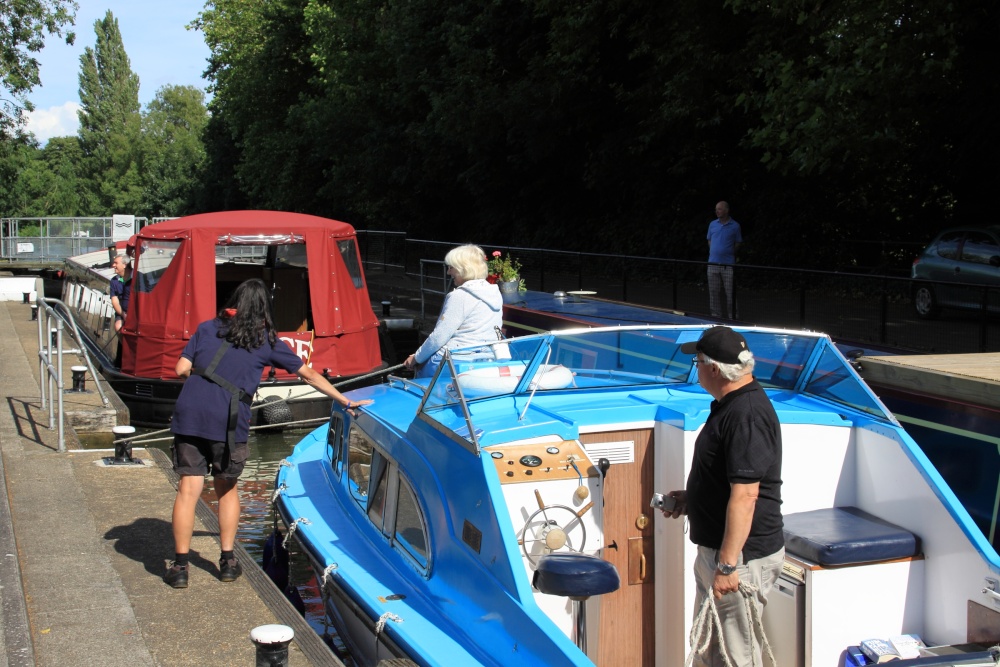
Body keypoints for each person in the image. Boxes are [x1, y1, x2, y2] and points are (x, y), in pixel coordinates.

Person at [164, 279, 373, 589]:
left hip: (190, 414)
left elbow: (181, 369)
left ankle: (180, 568)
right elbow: (309, 374)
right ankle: (227, 563)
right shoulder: (267, 340)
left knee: (188, 490)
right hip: (229, 422)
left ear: (234, 301)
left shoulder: (207, 328)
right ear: (265, 309)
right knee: (226, 489)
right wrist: (344, 400)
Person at [663, 326, 784, 667]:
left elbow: (746, 496)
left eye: (697, 362)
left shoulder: (746, 414)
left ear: (713, 369)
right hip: (720, 555)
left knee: (735, 657)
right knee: (709, 648)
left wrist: (728, 565)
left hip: (738, 560)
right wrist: (694, 498)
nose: (695, 368)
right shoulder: (729, 405)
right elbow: (729, 480)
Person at [403, 244, 503, 378]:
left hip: (457, 359)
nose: (448, 273)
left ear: (464, 269)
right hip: (488, 357)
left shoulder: (459, 296)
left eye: (451, 268)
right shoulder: (494, 292)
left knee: (420, 369)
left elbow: (439, 337)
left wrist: (416, 358)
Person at [706, 201, 742, 319]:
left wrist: (728, 252)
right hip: (713, 263)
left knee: (730, 293)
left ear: (726, 210)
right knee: (714, 293)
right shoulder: (712, 224)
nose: (717, 211)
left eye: (720, 209)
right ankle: (716, 316)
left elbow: (738, 243)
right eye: (716, 209)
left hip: (728, 264)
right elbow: (709, 240)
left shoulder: (735, 226)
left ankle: (733, 317)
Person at [109, 254, 129, 332]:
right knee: (118, 326)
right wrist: (123, 314)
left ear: (124, 265)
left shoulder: (136, 278)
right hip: (122, 312)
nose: (113, 265)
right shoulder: (114, 281)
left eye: (116, 263)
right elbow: (115, 302)